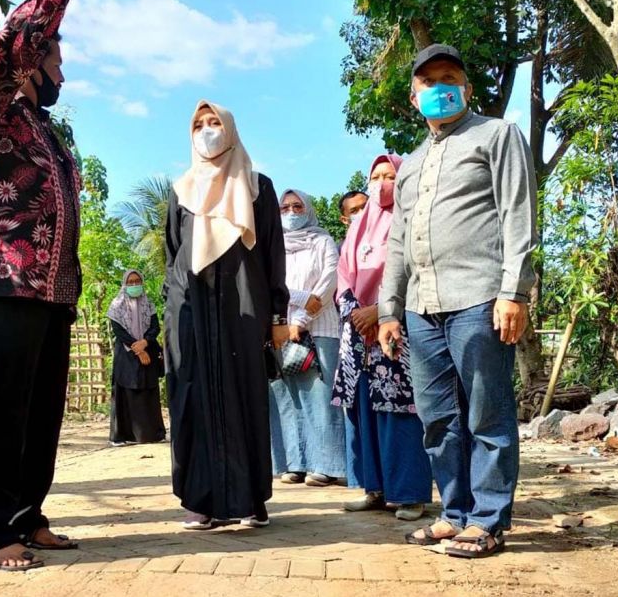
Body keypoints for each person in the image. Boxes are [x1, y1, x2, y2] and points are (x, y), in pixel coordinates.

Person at [0, 0, 125, 571]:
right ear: (30, 62)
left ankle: (27, 514)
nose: (63, 71)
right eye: (56, 60)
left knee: (39, 416)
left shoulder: (44, 129)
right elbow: (10, 44)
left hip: (51, 297)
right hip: (0, 287)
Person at [379, 44, 537, 559]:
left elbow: (518, 215)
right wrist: (389, 308)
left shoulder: (495, 135)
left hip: (479, 296)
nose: (439, 86)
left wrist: (514, 291)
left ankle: (489, 520)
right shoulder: (410, 164)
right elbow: (397, 240)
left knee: (487, 413)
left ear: (467, 89)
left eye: (450, 77)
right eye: (428, 81)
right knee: (438, 417)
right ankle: (455, 513)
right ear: (414, 96)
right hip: (422, 309)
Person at [164, 100, 288, 530]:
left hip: (243, 303)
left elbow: (273, 252)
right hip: (189, 306)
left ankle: (250, 498)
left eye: (214, 122)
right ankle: (200, 500)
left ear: (231, 128)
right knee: (192, 397)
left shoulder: (257, 186)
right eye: (198, 123)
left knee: (245, 394)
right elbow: (171, 255)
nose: (207, 130)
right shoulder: (180, 191)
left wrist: (278, 314)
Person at [332, 155, 432, 522]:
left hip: (398, 328)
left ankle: (409, 493)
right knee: (364, 412)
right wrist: (356, 312)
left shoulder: (412, 218)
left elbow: (416, 268)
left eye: (390, 175)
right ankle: (373, 488)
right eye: (375, 176)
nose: (382, 182)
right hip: (358, 334)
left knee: (401, 412)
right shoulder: (357, 228)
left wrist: (382, 311)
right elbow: (344, 275)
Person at [268, 189, 345, 486]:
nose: (291, 212)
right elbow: (271, 288)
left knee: (320, 398)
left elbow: (328, 284)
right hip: (279, 329)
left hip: (319, 329)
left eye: (297, 206)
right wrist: (293, 308)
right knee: (285, 399)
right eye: (284, 207)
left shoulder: (322, 241)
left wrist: (299, 318)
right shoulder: (271, 246)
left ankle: (326, 466)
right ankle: (293, 463)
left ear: (308, 209)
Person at [107, 270, 165, 446]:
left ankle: (151, 434)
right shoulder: (116, 306)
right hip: (126, 354)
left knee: (148, 390)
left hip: (147, 349)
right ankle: (122, 435)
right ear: (124, 284)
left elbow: (155, 327)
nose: (134, 285)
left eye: (137, 281)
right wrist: (138, 349)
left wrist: (145, 343)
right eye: (130, 282)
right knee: (125, 390)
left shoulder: (148, 304)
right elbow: (119, 331)